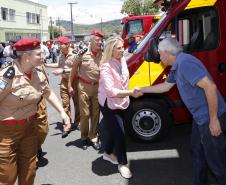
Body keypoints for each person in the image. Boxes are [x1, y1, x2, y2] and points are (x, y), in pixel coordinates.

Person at [140, 38, 226, 185]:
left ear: (167, 53)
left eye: (160, 54)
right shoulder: (177, 65)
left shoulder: (185, 63)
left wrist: (213, 119)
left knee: (216, 163)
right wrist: (141, 90)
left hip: (209, 118)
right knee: (197, 153)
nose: (160, 57)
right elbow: (165, 87)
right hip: (200, 118)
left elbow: (210, 88)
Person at [0, 38, 71, 185]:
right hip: (7, 133)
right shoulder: (7, 76)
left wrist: (63, 113)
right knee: (7, 177)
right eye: (39, 54)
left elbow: (48, 92)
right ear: (27, 57)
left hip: (30, 129)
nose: (43, 56)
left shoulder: (37, 72)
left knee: (29, 172)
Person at [98, 36, 142, 179]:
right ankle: (122, 163)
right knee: (120, 133)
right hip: (109, 104)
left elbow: (124, 78)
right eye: (118, 47)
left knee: (114, 130)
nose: (122, 49)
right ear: (111, 50)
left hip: (122, 102)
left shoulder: (122, 59)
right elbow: (110, 91)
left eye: (122, 46)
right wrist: (131, 92)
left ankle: (107, 152)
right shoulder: (105, 66)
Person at [69, 30, 103, 150]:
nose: (100, 42)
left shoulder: (103, 54)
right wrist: (69, 85)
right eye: (97, 40)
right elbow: (73, 69)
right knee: (85, 114)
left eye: (101, 40)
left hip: (98, 87)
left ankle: (93, 136)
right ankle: (83, 137)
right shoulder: (82, 53)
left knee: (95, 114)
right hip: (83, 87)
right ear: (91, 41)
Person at [45, 36, 80, 137]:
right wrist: (47, 65)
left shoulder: (75, 55)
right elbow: (60, 65)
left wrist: (63, 70)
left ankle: (78, 122)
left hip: (74, 82)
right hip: (64, 82)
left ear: (68, 44)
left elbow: (77, 69)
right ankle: (67, 124)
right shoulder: (61, 54)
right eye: (59, 44)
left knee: (77, 103)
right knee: (65, 104)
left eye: (62, 44)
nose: (59, 46)